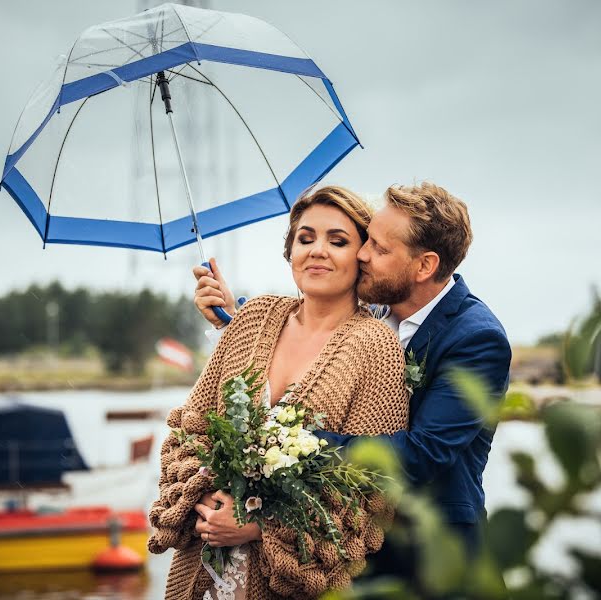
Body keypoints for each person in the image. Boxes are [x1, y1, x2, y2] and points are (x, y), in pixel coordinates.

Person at [194, 182, 511, 568]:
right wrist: (235, 320)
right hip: (350, 560)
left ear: (424, 266)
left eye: (378, 248)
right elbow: (309, 333)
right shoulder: (377, 307)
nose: (362, 254)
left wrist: (292, 442)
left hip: (431, 558)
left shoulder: (476, 339)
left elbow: (422, 454)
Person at [149, 185, 410, 600]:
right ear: (290, 252)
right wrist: (206, 497)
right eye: (305, 239)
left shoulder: (375, 346)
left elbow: (369, 490)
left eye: (337, 240)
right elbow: (189, 428)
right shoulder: (253, 316)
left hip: (290, 582)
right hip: (203, 569)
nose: (317, 250)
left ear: (362, 256)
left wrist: (258, 524)